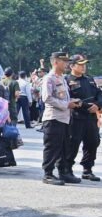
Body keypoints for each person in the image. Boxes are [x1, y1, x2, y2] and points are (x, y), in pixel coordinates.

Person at [41, 52, 81, 185]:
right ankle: (48, 174)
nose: (67, 64)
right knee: (52, 147)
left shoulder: (62, 78)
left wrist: (72, 101)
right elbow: (47, 98)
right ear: (55, 62)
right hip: (53, 118)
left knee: (64, 147)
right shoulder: (49, 78)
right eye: (64, 61)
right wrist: (66, 105)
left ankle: (63, 173)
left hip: (64, 118)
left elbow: (63, 97)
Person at [65, 54, 102, 182]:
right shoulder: (67, 80)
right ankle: (67, 169)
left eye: (84, 64)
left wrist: (97, 105)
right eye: (80, 64)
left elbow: (99, 94)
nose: (83, 67)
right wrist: (87, 106)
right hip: (76, 117)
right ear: (72, 66)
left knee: (93, 142)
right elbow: (68, 99)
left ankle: (87, 170)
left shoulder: (89, 79)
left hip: (91, 118)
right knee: (73, 143)